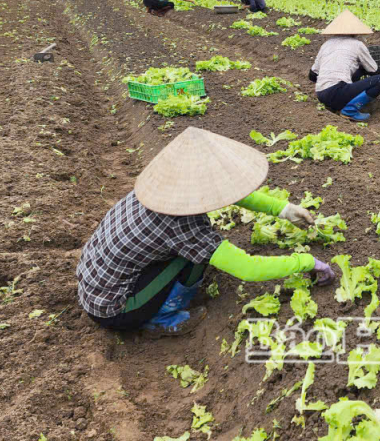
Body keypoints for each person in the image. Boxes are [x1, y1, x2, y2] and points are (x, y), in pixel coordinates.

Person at [76, 127, 338, 337]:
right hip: (114, 308)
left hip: (96, 279)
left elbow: (226, 190)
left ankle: (159, 300)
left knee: (193, 253)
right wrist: (306, 261)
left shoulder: (157, 190)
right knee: (197, 256)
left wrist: (282, 209)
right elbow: (248, 268)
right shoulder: (181, 224)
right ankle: (162, 317)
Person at [308, 10, 380, 122]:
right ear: (356, 32)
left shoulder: (326, 44)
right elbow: (375, 71)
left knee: (357, 72)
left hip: (321, 94)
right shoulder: (357, 45)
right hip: (337, 92)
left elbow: (312, 75)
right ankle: (350, 110)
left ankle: (338, 103)